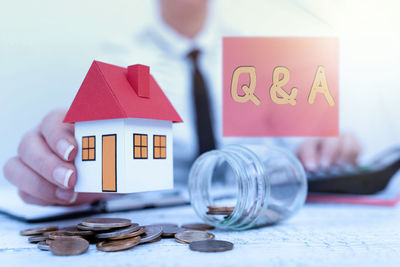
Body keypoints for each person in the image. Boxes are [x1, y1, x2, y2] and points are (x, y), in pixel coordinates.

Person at [2, 0, 361, 206]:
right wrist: (69, 163)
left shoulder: (257, 54)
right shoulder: (116, 57)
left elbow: (300, 148)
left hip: (253, 208)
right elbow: (103, 155)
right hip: (161, 218)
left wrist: (327, 144)